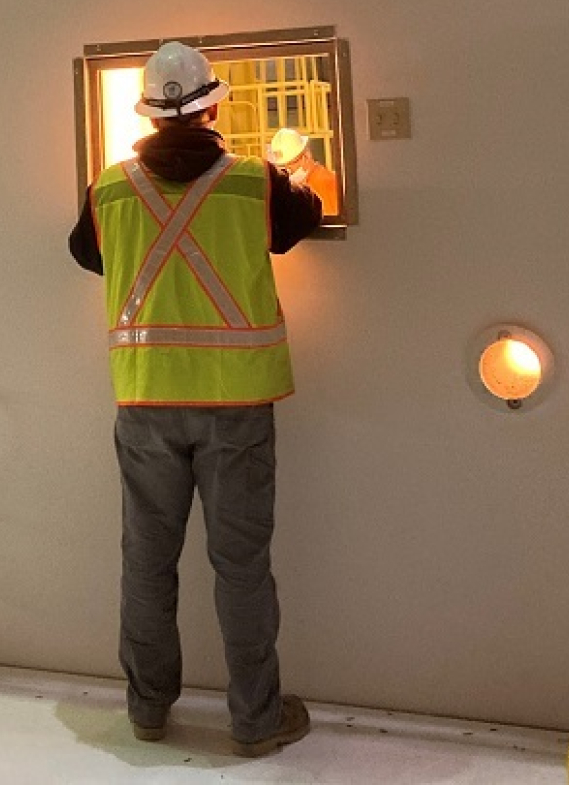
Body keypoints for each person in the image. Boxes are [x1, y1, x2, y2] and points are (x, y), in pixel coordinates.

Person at [68, 40, 321, 757]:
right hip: (236, 404)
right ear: (213, 107)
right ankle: (255, 719)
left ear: (146, 113)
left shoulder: (109, 189)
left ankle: (148, 711)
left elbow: (87, 255)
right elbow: (303, 217)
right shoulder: (253, 181)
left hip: (145, 401)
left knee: (146, 560)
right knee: (241, 564)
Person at [266, 127, 340, 216]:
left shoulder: (324, 182)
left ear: (307, 155)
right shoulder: (303, 186)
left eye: (290, 163)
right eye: (282, 166)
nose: (287, 170)